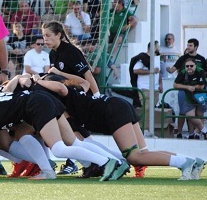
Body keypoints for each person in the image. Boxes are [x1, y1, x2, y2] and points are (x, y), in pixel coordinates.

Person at [36, 71, 205, 181]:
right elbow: (84, 81)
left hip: (113, 112)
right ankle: (194, 162)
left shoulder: (64, 92)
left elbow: (59, 86)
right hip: (118, 106)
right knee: (143, 153)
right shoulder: (77, 88)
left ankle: (184, 162)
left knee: (134, 157)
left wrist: (38, 79)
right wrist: (58, 73)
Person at [0, 90, 122, 181]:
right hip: (40, 99)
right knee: (74, 142)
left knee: (60, 149)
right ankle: (119, 162)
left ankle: (107, 162)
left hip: (36, 105)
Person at [42, 20, 101, 175]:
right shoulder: (53, 53)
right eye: (43, 36)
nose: (45, 39)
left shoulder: (71, 52)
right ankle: (97, 163)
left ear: (59, 35)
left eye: (48, 36)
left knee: (76, 132)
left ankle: (103, 162)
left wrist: (97, 96)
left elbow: (87, 76)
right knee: (78, 133)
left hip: (79, 98)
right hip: (66, 98)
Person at [173, 58, 207, 139]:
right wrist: (187, 87)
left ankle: (198, 134)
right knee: (189, 115)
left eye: (191, 66)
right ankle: (204, 131)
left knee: (200, 114)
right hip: (189, 97)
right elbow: (175, 85)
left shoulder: (200, 71)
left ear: (195, 66)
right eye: (187, 66)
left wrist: (193, 87)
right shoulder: (183, 72)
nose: (189, 68)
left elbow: (201, 85)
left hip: (200, 95)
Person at [132, 41, 163, 130]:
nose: (159, 48)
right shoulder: (143, 58)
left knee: (151, 110)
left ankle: (149, 129)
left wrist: (160, 83)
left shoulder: (157, 58)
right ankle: (145, 130)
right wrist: (151, 71)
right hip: (144, 87)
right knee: (147, 109)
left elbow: (158, 71)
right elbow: (136, 70)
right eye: (158, 47)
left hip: (155, 87)